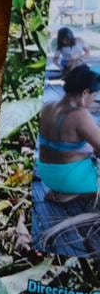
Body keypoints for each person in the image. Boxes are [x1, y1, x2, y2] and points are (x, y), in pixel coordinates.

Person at [39, 65, 100, 198]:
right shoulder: (80, 115)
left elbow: (59, 145)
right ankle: (72, 190)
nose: (93, 100)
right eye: (94, 95)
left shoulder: (48, 107)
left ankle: (63, 189)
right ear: (85, 93)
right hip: (67, 178)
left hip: (46, 174)